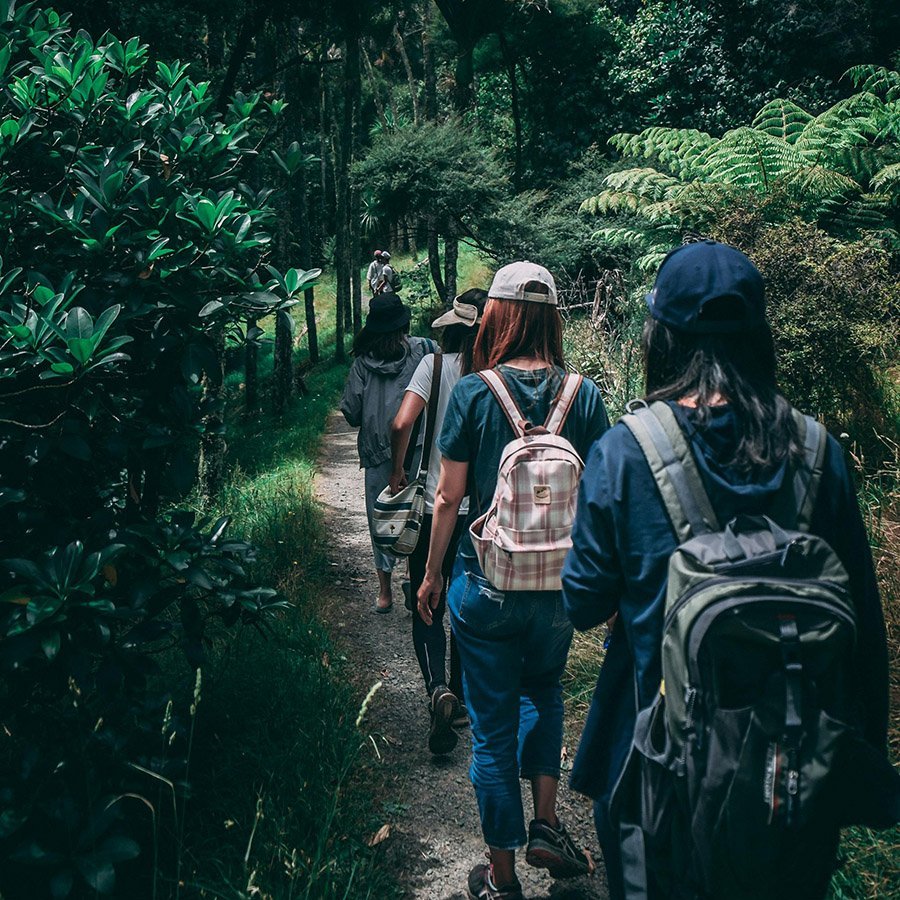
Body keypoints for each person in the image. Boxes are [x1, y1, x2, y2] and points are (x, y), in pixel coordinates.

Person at [561, 240, 892, 900]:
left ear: (662, 338)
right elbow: (864, 631)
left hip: (656, 774)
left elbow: (584, 602)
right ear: (759, 338)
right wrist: (859, 765)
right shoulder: (817, 452)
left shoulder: (626, 453)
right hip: (792, 776)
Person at [418, 262, 610, 900]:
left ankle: (501, 881)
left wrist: (431, 575)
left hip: (487, 583)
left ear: (495, 315)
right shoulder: (582, 394)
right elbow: (603, 494)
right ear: (553, 317)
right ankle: (547, 823)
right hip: (558, 587)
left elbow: (447, 500)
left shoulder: (476, 393)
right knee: (545, 691)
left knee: (492, 729)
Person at [389, 288, 488, 756]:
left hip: (433, 508)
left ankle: (437, 687)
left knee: (426, 600)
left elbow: (400, 423)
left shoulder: (433, 366)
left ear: (451, 327)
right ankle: (464, 699)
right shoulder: (495, 377)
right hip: (483, 517)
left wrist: (397, 469)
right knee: (465, 605)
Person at [341, 294, 436, 612]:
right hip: (421, 447)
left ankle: (385, 593)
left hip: (378, 452)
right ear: (404, 323)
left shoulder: (361, 364)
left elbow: (352, 412)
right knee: (420, 514)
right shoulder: (425, 349)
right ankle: (414, 576)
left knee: (381, 519)